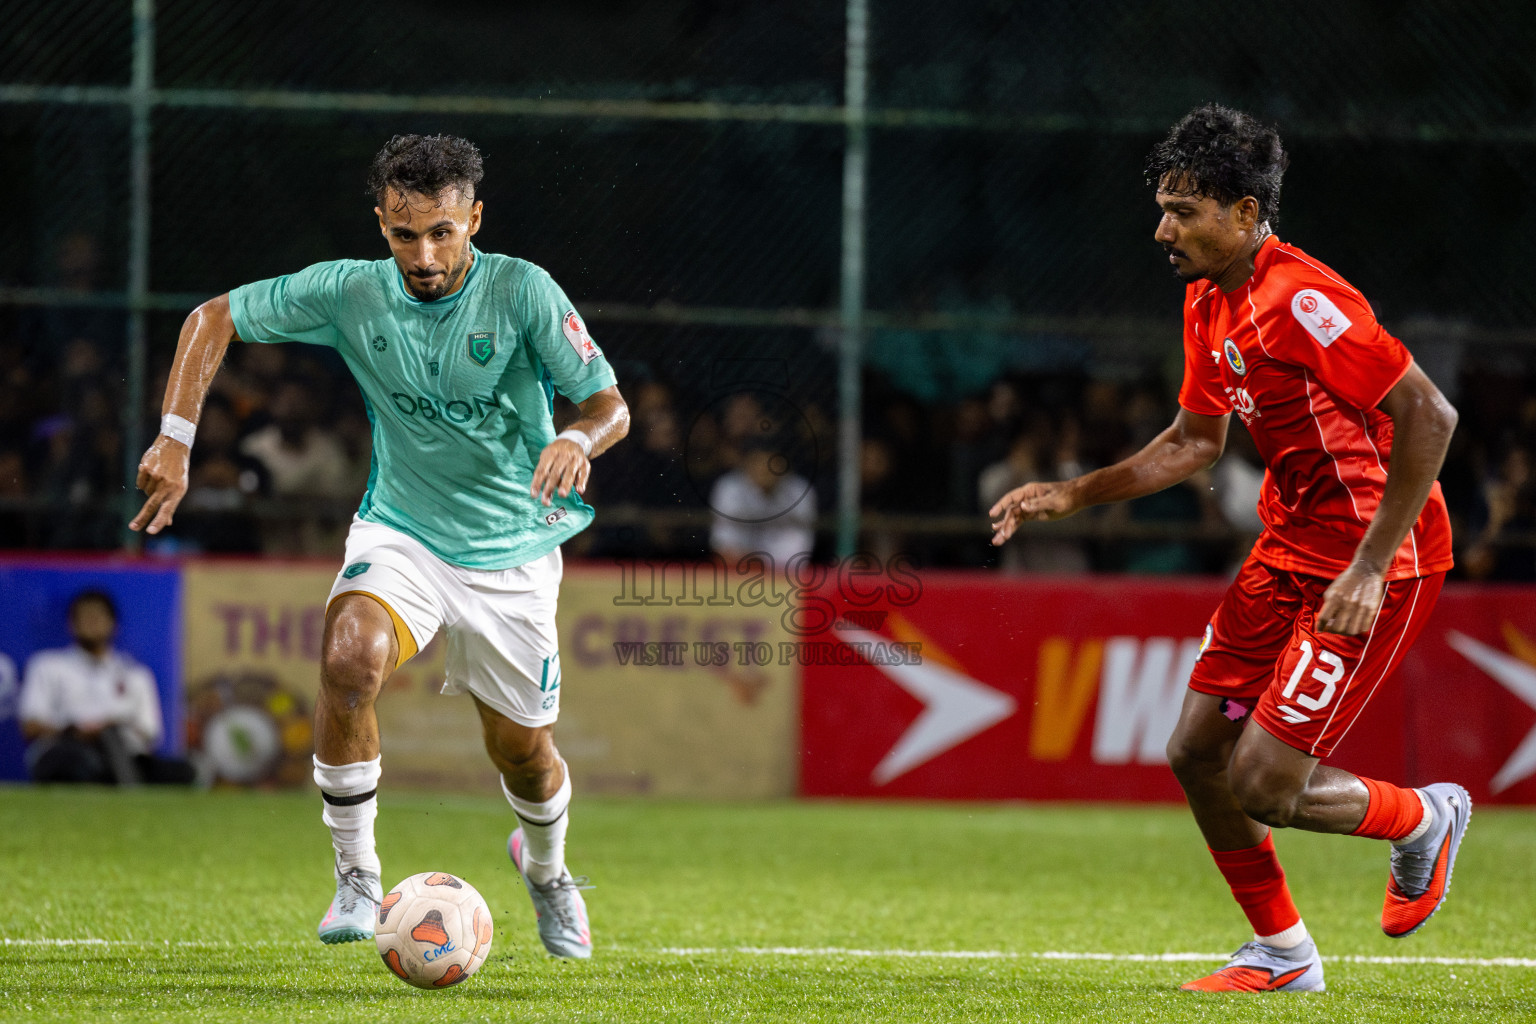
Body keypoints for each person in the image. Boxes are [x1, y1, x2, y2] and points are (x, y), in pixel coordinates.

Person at [989, 105, 1468, 994]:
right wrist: (1075, 491)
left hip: (1375, 562)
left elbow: (1429, 415)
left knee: (1265, 787)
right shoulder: (1208, 300)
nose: (1162, 228)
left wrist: (1368, 566)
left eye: (1185, 210)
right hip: (1287, 547)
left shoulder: (1304, 300)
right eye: (1164, 206)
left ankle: (1422, 819)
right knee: (1193, 754)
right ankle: (1284, 956)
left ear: (1246, 214)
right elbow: (1192, 443)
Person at [130, 134, 629, 960]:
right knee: (350, 659)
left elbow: (608, 402)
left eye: (441, 231)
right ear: (381, 222)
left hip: (513, 551)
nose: (423, 255)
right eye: (404, 234)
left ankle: (547, 873)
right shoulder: (352, 292)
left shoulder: (522, 291)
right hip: (403, 528)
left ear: (474, 217)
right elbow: (209, 317)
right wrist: (175, 438)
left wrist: (579, 438)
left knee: (525, 756)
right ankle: (358, 874)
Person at [18, 590, 196, 785]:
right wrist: (74, 731)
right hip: (65, 748)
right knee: (78, 765)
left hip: (122, 754)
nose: (92, 622)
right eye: (85, 617)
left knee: (182, 772)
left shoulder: (135, 674)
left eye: (98, 616)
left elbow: (149, 732)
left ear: (113, 624)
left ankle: (119, 777)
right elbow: (31, 726)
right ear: (72, 624)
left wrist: (111, 728)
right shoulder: (47, 665)